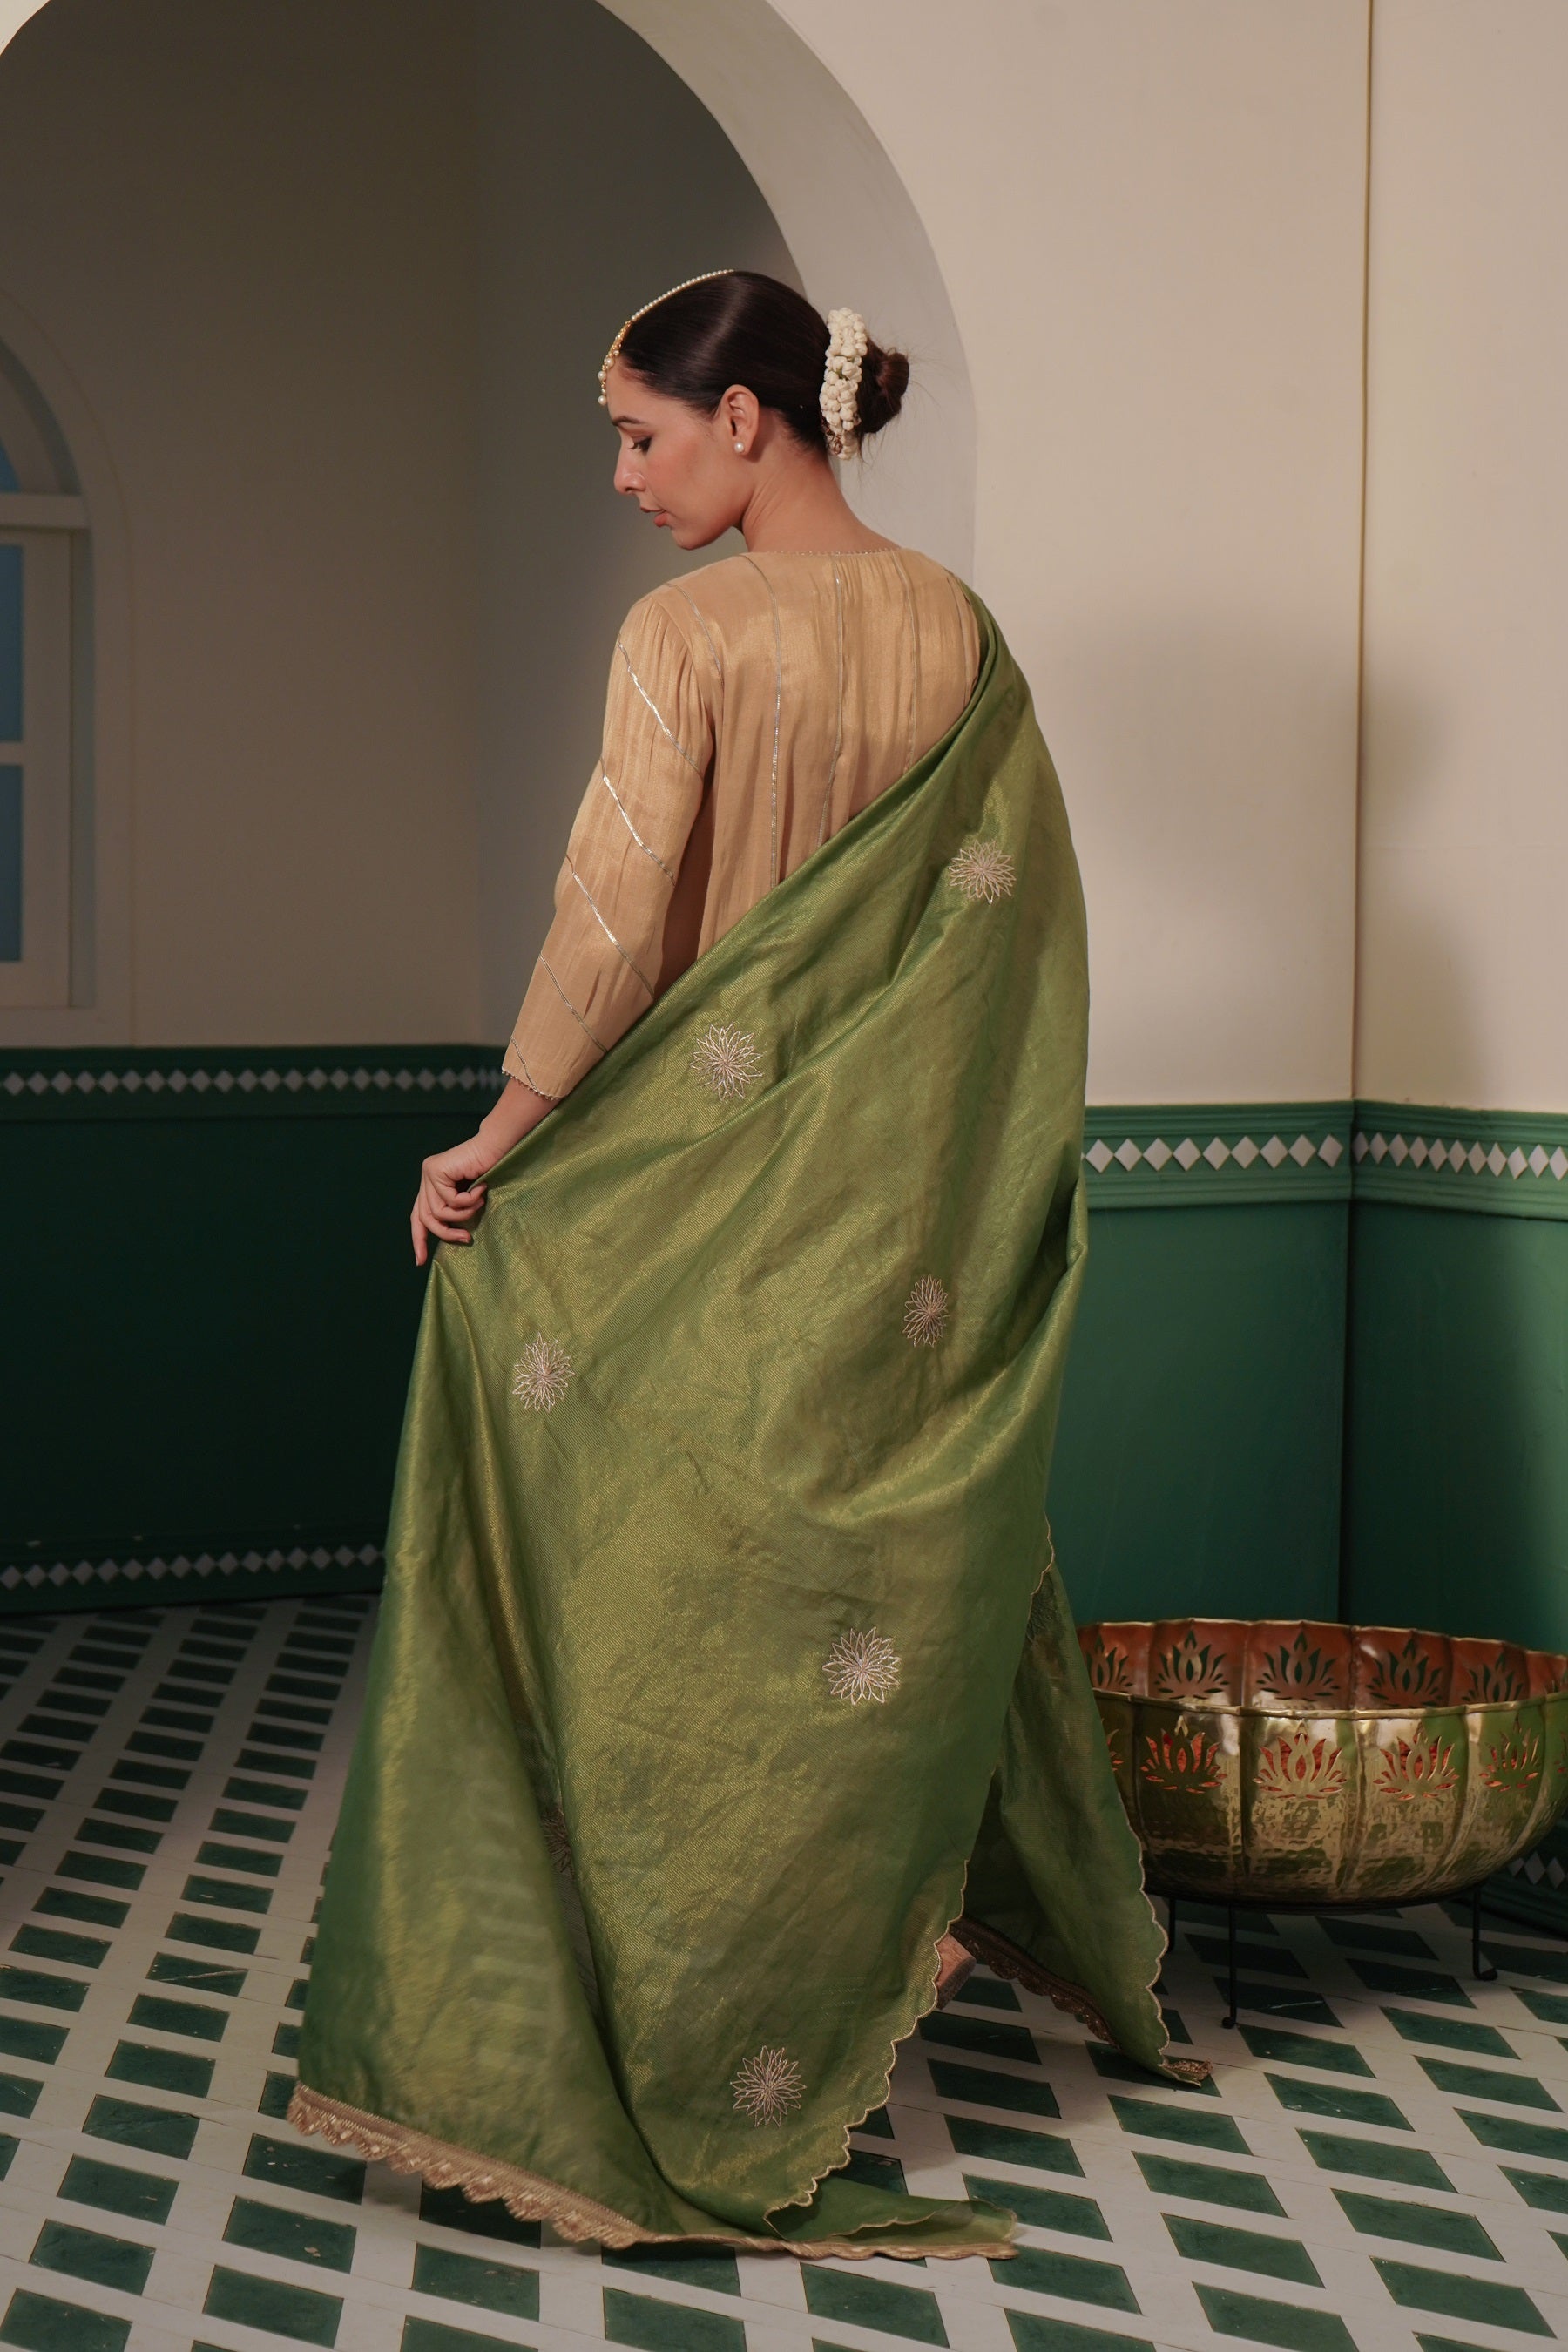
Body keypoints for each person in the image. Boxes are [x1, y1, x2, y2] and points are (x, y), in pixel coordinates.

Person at [290, 269, 1194, 2265]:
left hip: (700, 1194)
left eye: (642, 435)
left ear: (751, 419)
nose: (625, 477)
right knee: (850, 1593)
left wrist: (500, 1136)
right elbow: (1014, 941)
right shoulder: (962, 635)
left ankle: (691, 2024)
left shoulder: (691, 633)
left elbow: (615, 918)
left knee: (666, 1603)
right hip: (894, 1221)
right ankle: (878, 1940)